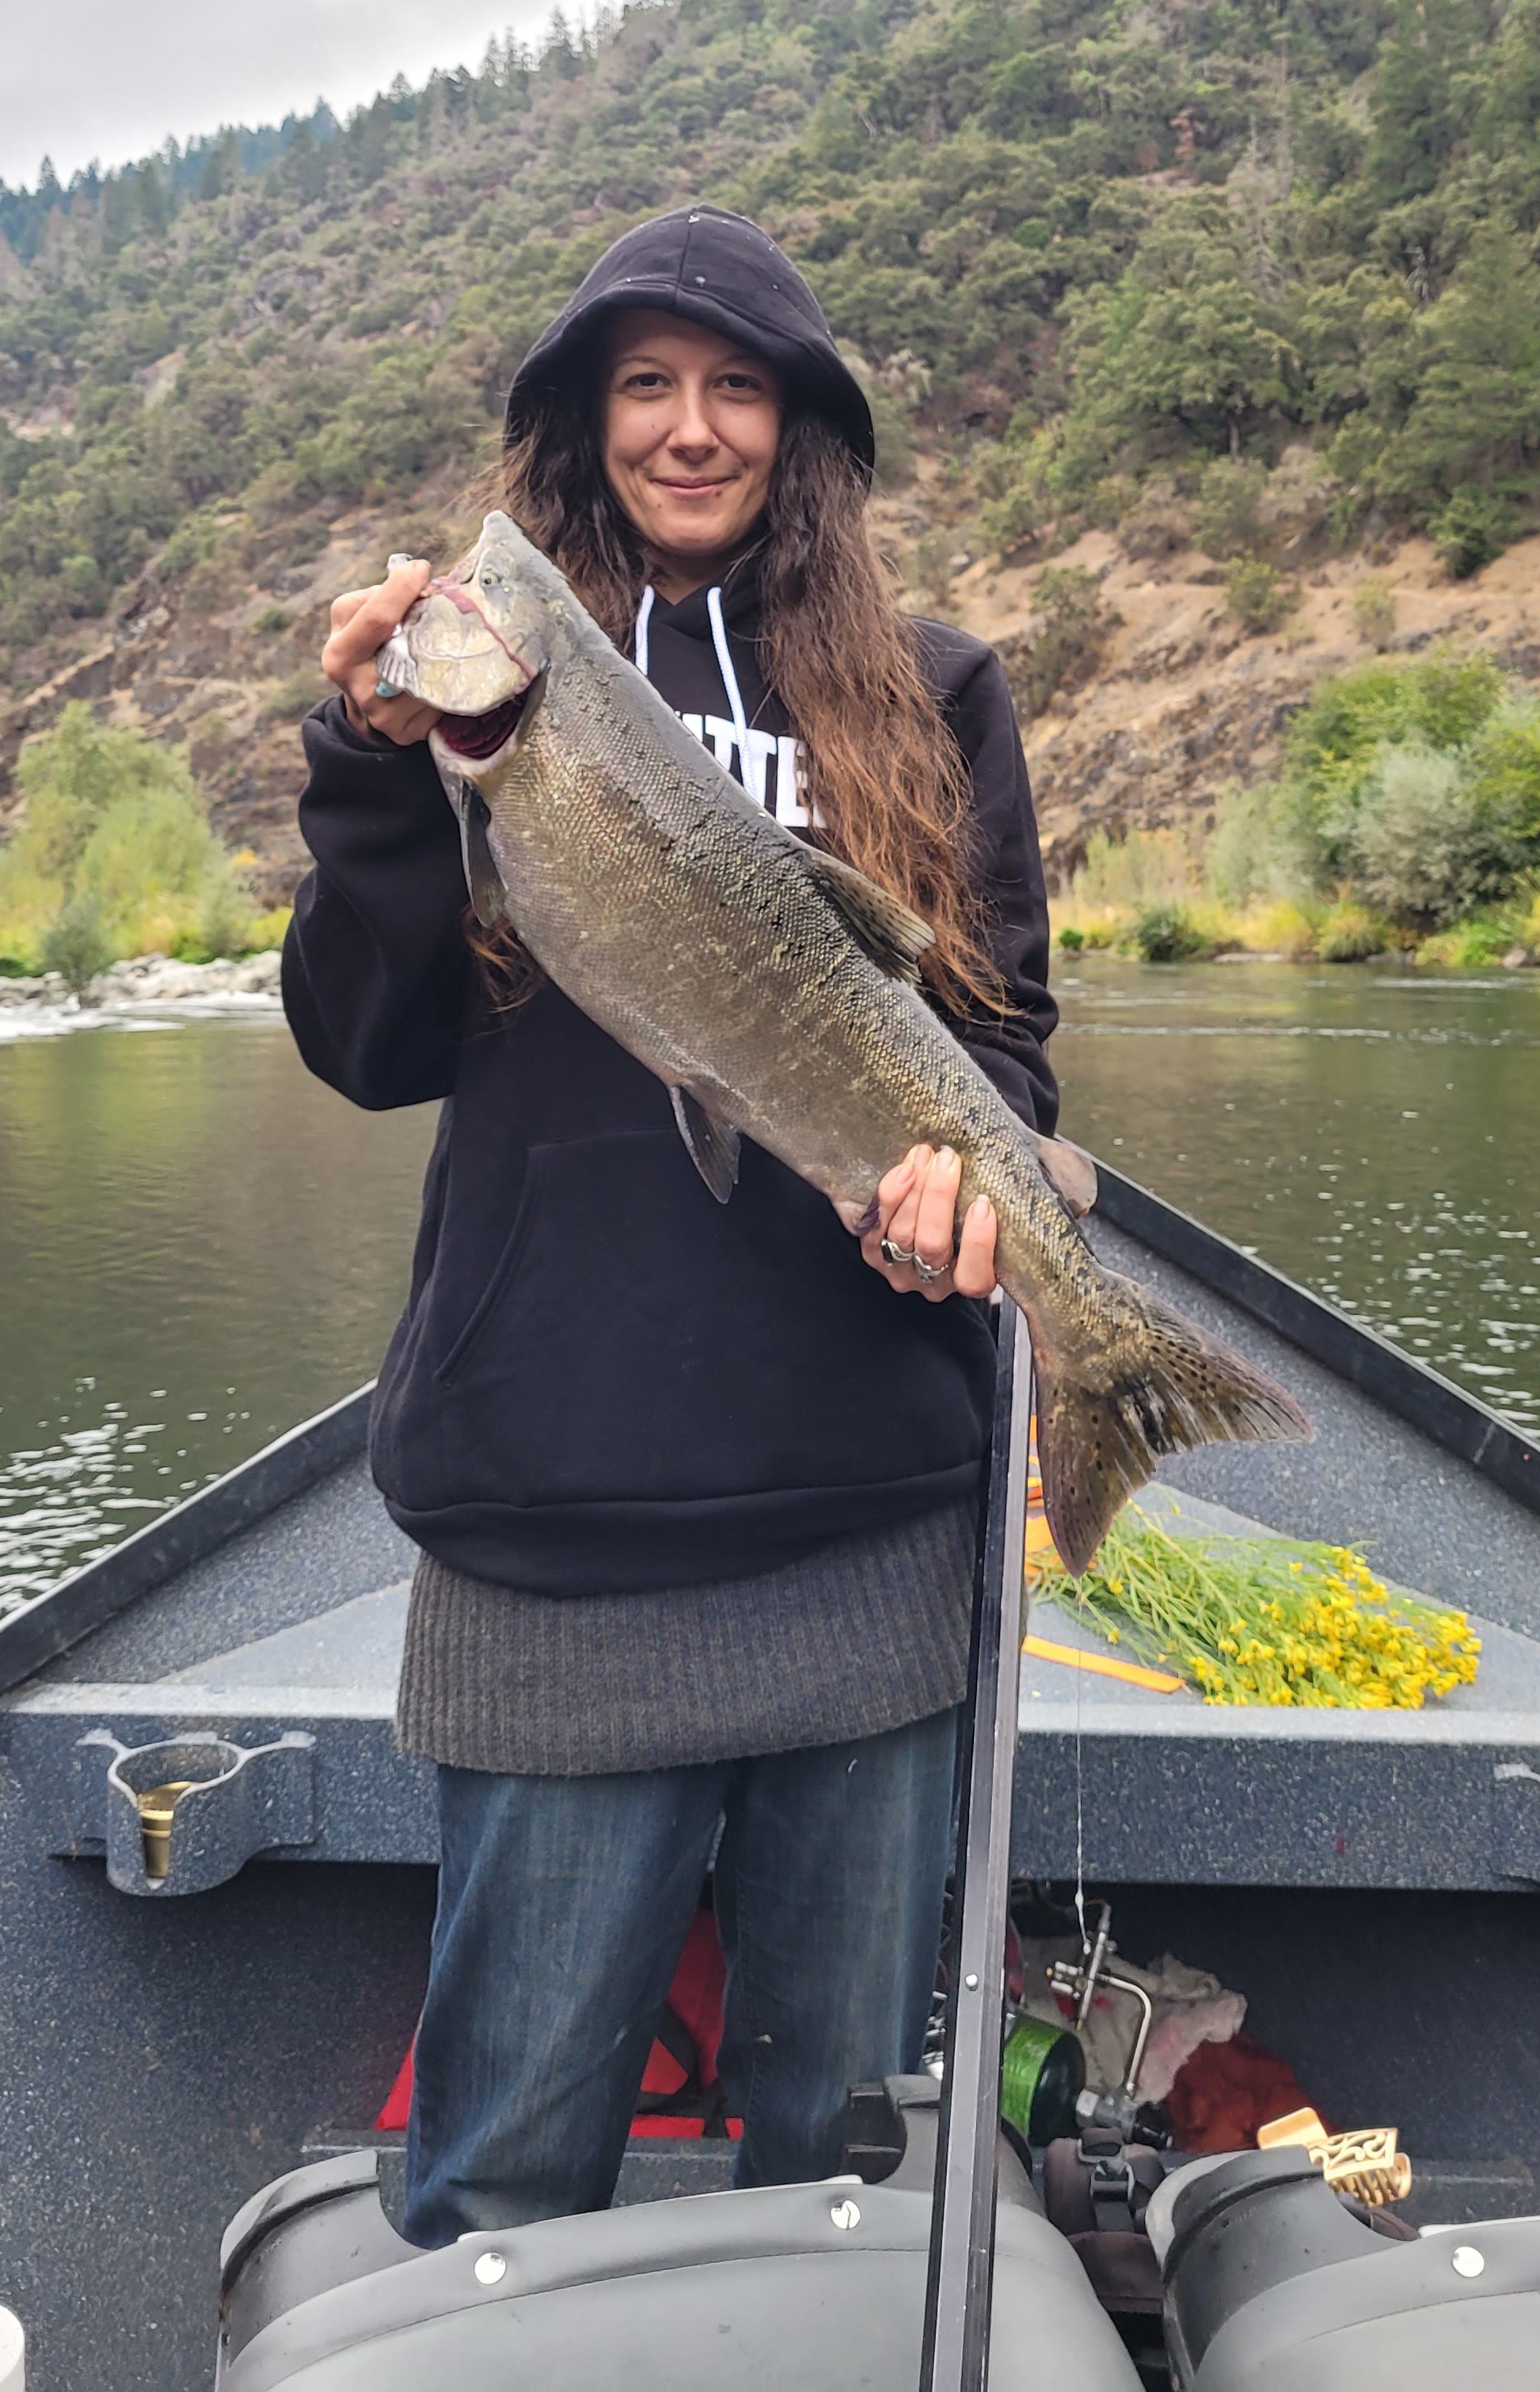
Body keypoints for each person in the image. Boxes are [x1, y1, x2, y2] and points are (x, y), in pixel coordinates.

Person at [283, 203, 1057, 2247]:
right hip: (557, 1515)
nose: (692, 428)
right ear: (580, 421)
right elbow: (370, 1049)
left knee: (854, 2183)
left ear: (801, 432)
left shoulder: (941, 693)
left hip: (873, 1518)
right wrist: (370, 778)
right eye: (645, 384)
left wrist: (950, 1217)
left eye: (738, 388)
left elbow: (1011, 1060)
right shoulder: (497, 695)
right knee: (504, 2181)